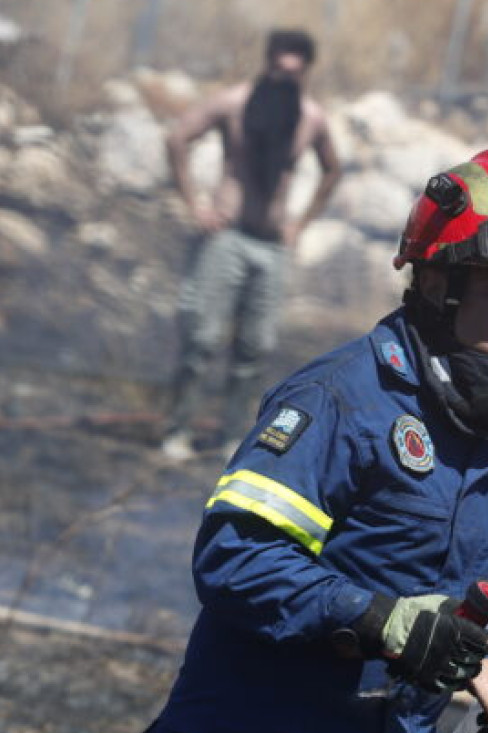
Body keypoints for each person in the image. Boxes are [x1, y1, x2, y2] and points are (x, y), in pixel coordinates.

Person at [137, 149, 488, 733]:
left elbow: (427, 605)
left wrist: (473, 679)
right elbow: (235, 559)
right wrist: (383, 621)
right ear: (439, 284)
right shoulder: (339, 400)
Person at [162, 28, 343, 461]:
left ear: (306, 71)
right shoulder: (235, 102)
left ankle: (230, 437)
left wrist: (301, 223)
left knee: (255, 347)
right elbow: (177, 137)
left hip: (272, 246)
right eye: (279, 63)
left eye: (295, 66)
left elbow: (333, 169)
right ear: (268, 61)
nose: (285, 72)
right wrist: (195, 204)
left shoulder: (311, 118)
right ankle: (178, 429)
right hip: (226, 236)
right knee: (201, 339)